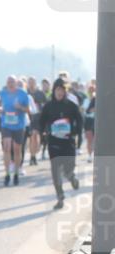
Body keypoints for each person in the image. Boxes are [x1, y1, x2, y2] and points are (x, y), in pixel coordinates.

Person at [39, 79, 83, 209]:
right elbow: (42, 121)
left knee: (68, 168)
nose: (60, 92)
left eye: (62, 90)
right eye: (57, 90)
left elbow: (79, 120)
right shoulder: (48, 106)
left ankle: (72, 178)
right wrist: (43, 133)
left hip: (68, 141)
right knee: (55, 170)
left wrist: (76, 132)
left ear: (65, 91)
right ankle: (60, 196)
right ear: (54, 91)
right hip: (54, 142)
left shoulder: (71, 105)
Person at [0, 75, 31, 186]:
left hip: (18, 125)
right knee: (7, 147)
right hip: (6, 124)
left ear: (16, 83)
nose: (10, 84)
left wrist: (20, 107)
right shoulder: (2, 93)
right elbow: (0, 106)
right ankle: (7, 174)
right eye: (8, 82)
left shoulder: (22, 94)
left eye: (12, 82)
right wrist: (0, 109)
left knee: (17, 149)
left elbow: (28, 110)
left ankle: (16, 173)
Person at [27, 77, 47, 166]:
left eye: (33, 82)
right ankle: (32, 156)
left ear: (35, 83)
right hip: (29, 118)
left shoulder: (40, 94)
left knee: (36, 136)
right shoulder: (25, 93)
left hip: (38, 118)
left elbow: (45, 106)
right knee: (32, 137)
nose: (31, 84)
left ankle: (35, 153)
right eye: (29, 82)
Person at [84, 83, 96, 163]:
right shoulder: (86, 100)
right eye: (90, 90)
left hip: (96, 120)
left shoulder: (97, 98)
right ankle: (89, 155)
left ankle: (94, 153)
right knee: (89, 139)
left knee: (95, 139)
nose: (91, 92)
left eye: (93, 90)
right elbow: (86, 110)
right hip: (88, 120)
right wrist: (92, 109)